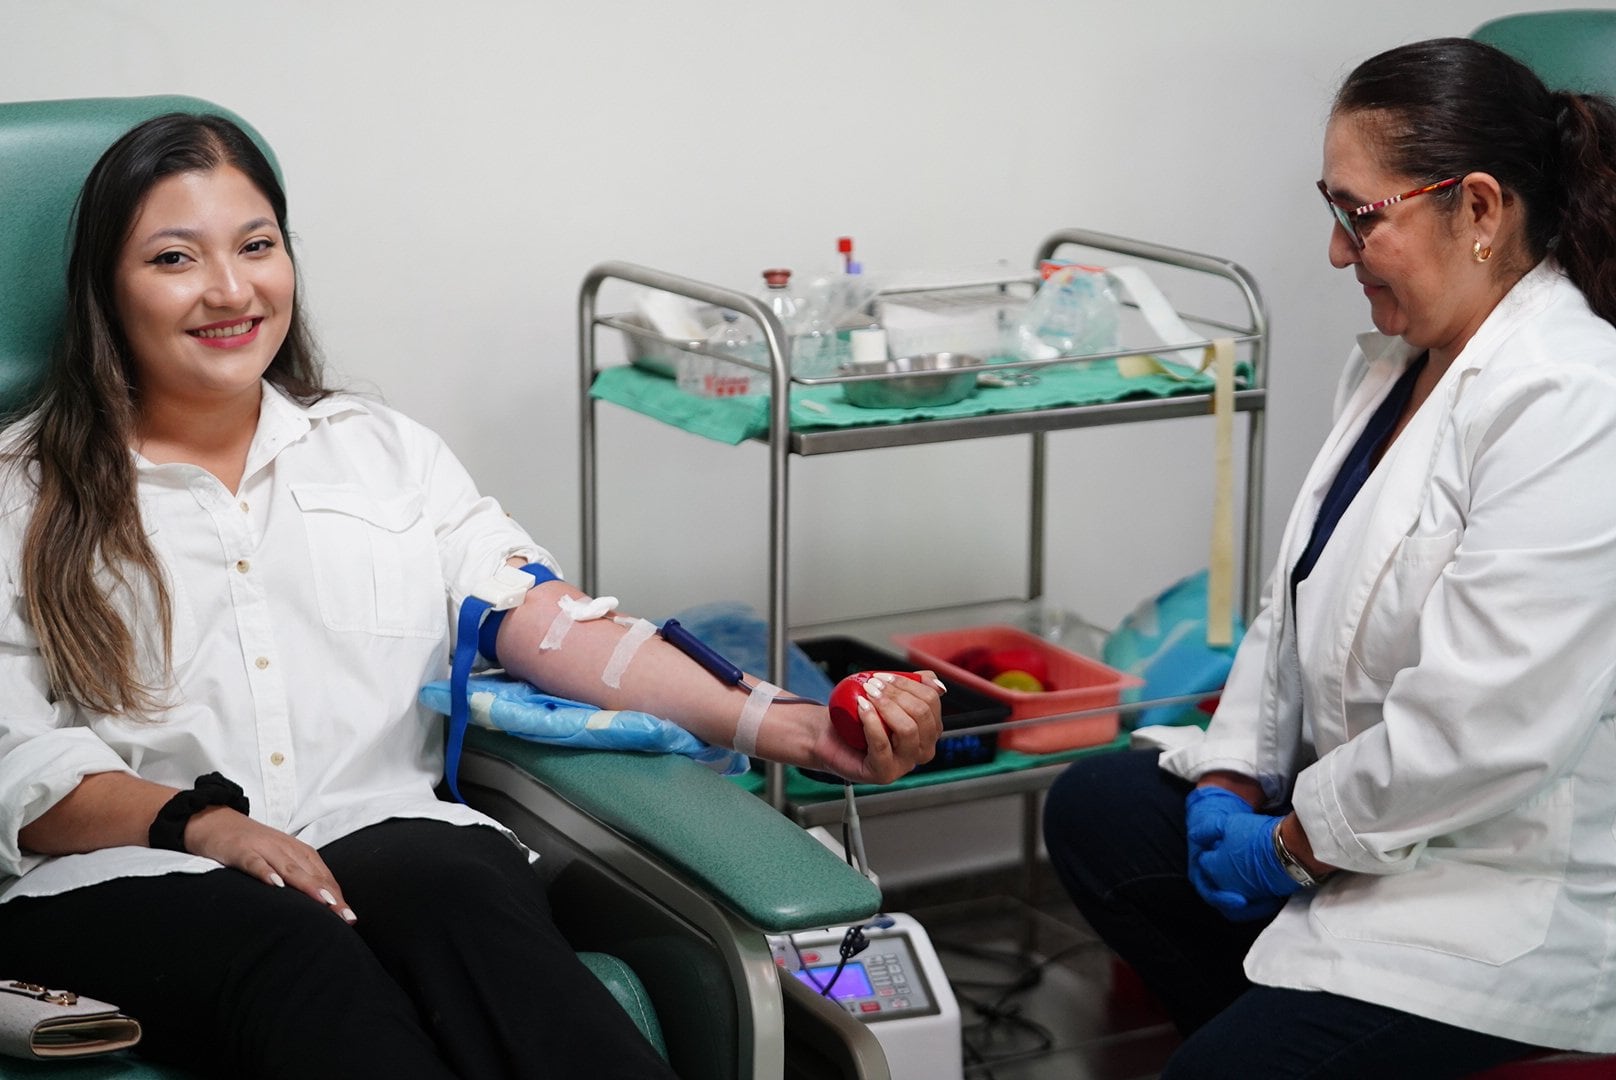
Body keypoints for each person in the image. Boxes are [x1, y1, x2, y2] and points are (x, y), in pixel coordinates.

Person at [0, 112, 944, 1079]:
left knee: (460, 891)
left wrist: (789, 726)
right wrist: (206, 825)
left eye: (257, 246)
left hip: (369, 827)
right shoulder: (21, 493)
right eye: (174, 258)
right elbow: (16, 761)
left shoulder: (382, 454)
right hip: (133, 871)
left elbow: (544, 619)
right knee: (292, 953)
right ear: (105, 288)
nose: (231, 290)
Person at [1043, 37, 1616, 1079]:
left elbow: (1483, 731)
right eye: (1333, 210)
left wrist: (1291, 844)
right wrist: (1229, 775)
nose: (1337, 253)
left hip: (1496, 892)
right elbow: (1293, 605)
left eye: (1360, 216)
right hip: (1374, 836)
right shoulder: (1398, 364)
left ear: (1478, 209)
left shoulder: (1573, 398)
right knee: (1097, 811)